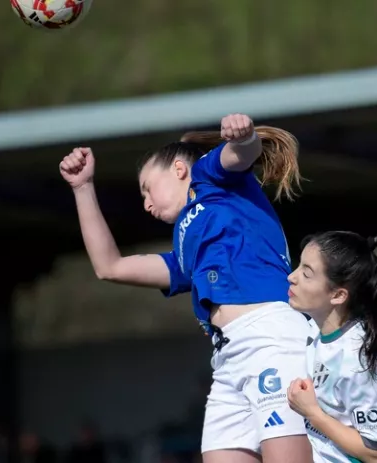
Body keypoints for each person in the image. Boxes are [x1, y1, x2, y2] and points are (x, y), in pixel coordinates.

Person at [58, 114, 313, 463]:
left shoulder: (209, 179)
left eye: (147, 187)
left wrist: (245, 135)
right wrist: (82, 188)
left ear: (179, 169)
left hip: (271, 338)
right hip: (227, 360)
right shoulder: (185, 253)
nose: (146, 203)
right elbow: (109, 267)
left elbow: (242, 152)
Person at [286, 231, 377, 463]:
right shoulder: (317, 328)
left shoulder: (364, 359)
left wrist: (312, 412)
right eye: (298, 265)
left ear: (338, 295)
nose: (292, 276)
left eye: (307, 273)